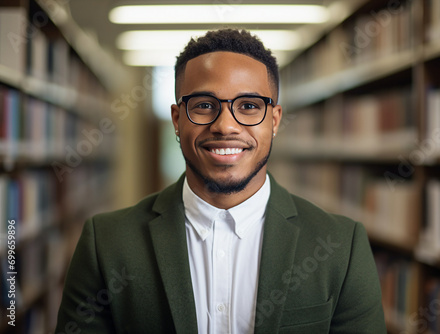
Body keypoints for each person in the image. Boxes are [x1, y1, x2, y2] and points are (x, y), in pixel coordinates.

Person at [55, 28, 386, 334]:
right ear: (176, 118)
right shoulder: (106, 244)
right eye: (203, 105)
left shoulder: (341, 246)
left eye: (248, 106)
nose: (226, 125)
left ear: (274, 120)